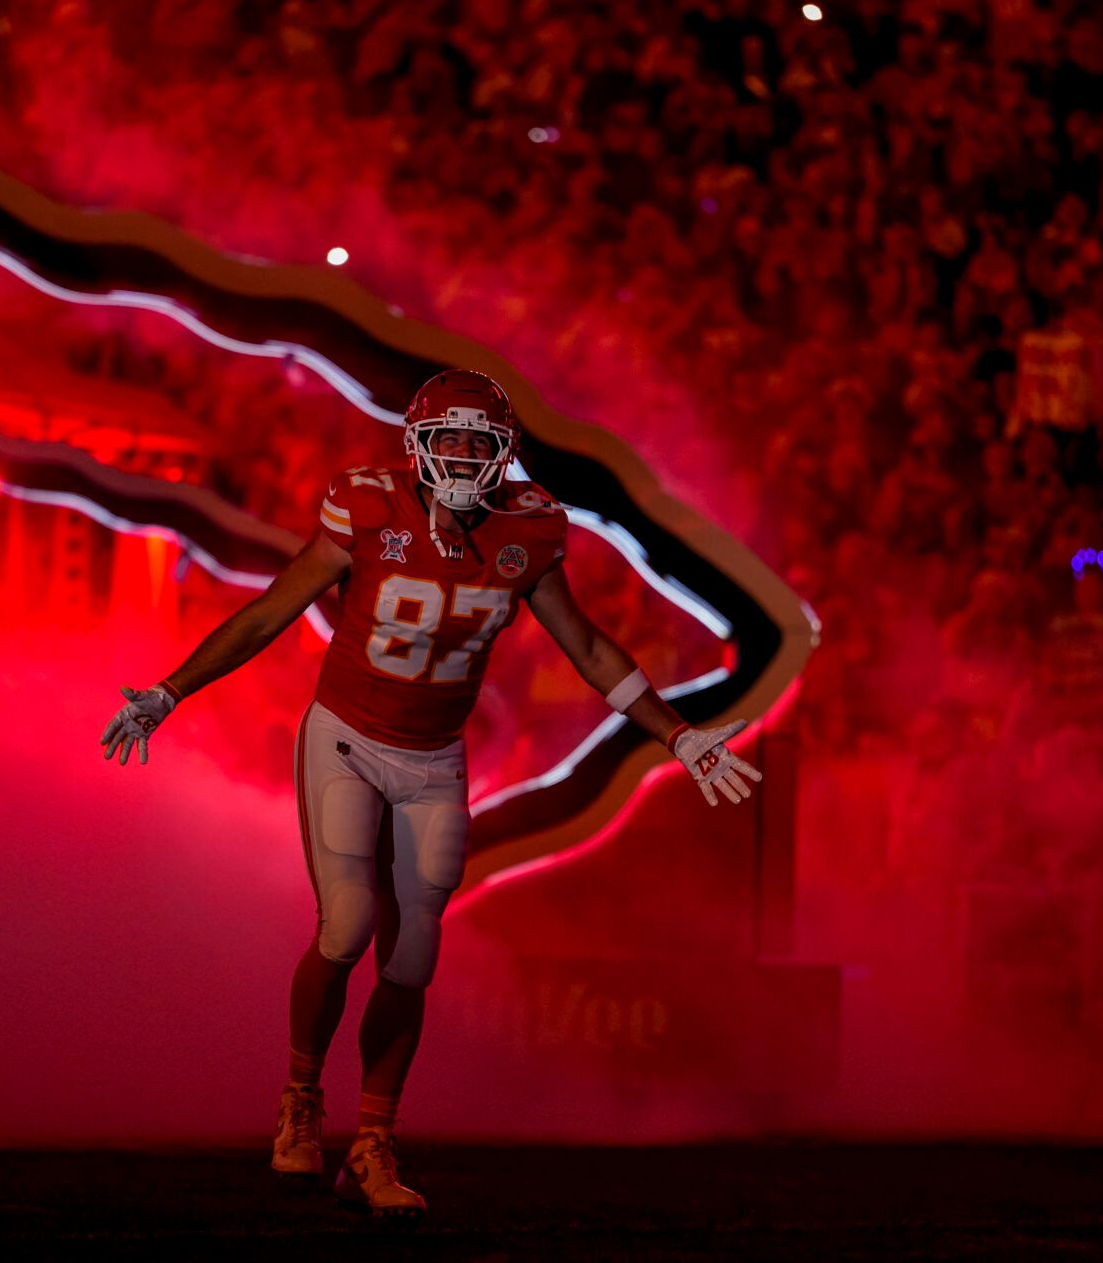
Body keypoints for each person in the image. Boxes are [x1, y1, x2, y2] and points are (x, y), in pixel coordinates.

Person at [98, 369, 760, 1219]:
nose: (459, 454)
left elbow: (588, 649)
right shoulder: (368, 508)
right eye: (445, 439)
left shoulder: (530, 528)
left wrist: (679, 733)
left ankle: (375, 1141)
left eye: (477, 441)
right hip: (345, 736)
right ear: (414, 445)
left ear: (502, 453)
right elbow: (270, 612)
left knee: (413, 957)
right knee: (346, 927)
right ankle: (301, 1097)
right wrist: (169, 692)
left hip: (434, 757)